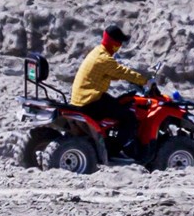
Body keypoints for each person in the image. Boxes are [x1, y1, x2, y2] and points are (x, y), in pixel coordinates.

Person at [67, 25, 158, 153]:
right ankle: (118, 149)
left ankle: (112, 137)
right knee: (129, 117)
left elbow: (111, 74)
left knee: (119, 103)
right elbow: (122, 72)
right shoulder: (104, 59)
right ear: (114, 43)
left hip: (85, 97)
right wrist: (145, 81)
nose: (120, 46)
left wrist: (129, 79)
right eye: (119, 42)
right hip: (90, 102)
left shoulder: (97, 51)